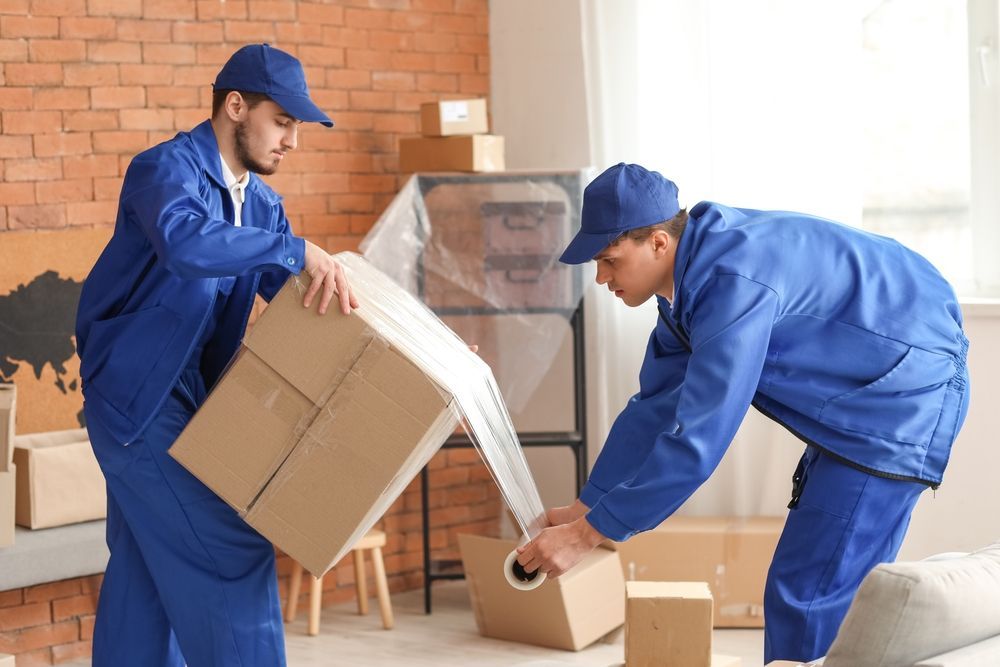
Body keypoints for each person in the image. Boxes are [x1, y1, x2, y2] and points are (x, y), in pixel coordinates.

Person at [515, 163, 970, 663]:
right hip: (870, 391)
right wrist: (586, 508)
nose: (601, 278)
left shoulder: (730, 284)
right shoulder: (692, 285)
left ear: (658, 243)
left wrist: (587, 536)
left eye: (609, 260)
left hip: (903, 396)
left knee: (809, 594)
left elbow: (699, 437)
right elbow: (654, 409)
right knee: (818, 587)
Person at [75, 44, 357, 667]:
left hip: (191, 401)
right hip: (136, 399)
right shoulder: (163, 170)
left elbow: (302, 301)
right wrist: (293, 250)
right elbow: (187, 245)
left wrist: (414, 352)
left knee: (145, 580)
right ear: (235, 106)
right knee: (233, 553)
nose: (291, 141)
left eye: (296, 127)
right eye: (282, 122)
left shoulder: (262, 205)